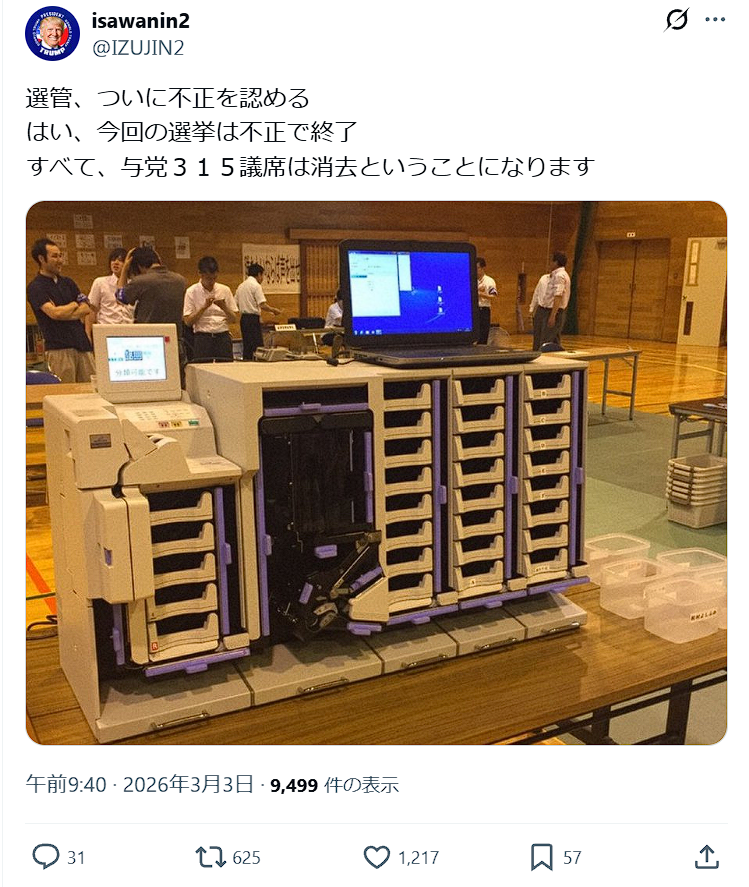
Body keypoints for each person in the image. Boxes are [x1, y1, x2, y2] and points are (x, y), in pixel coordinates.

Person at [27, 238, 94, 382]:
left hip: (83, 345)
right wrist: (74, 304)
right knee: (65, 391)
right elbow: (54, 313)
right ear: (41, 259)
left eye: (60, 256)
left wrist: (64, 311)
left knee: (91, 389)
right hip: (59, 348)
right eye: (54, 256)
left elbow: (86, 308)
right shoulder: (36, 287)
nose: (60, 260)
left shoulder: (68, 282)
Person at [182, 257, 238, 362]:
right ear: (200, 274)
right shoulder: (191, 291)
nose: (211, 281)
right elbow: (188, 322)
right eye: (208, 278)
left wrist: (224, 307)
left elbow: (234, 319)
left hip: (223, 336)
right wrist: (204, 307)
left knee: (227, 369)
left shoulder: (225, 290)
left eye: (214, 278)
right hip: (202, 338)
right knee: (202, 369)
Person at [116, 246, 187, 327]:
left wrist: (125, 269)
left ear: (139, 266)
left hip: (149, 333)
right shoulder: (181, 280)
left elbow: (120, 298)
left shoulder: (141, 281)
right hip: (174, 333)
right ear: (159, 260)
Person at [235, 263, 282, 361]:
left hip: (244, 319)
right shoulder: (256, 286)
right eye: (262, 275)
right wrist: (274, 310)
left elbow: (235, 303)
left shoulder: (241, 286)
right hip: (252, 319)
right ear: (259, 274)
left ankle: (247, 364)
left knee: (247, 346)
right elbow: (262, 304)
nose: (262, 278)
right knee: (257, 346)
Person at [85, 248, 133, 341]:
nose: (116, 263)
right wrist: (87, 334)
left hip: (129, 331)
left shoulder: (133, 284)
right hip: (106, 331)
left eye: (120, 260)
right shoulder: (100, 282)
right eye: (113, 260)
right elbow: (91, 309)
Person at [532, 252, 571, 350]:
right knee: (542, 340)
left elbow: (558, 296)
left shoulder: (560, 276)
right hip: (544, 310)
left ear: (556, 262)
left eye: (551, 261)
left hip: (551, 311)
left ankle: (542, 359)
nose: (549, 263)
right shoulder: (554, 275)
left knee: (545, 342)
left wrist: (553, 315)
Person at [476, 257, 497, 344]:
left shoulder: (489, 281)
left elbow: (493, 296)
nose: (476, 270)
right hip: (474, 310)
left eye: (477, 268)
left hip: (483, 310)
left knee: (483, 334)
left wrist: (480, 294)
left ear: (483, 268)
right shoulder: (471, 280)